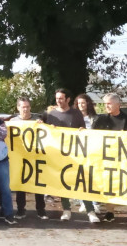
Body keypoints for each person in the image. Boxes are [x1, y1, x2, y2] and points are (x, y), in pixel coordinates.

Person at [92, 93, 127, 223]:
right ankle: (110, 211)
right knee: (110, 185)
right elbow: (92, 136)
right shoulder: (101, 120)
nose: (106, 106)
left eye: (109, 103)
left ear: (117, 104)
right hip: (108, 158)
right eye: (105, 104)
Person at [40, 89, 88, 222]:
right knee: (63, 182)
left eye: (61, 98)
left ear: (68, 99)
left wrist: (82, 131)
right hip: (58, 154)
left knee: (82, 180)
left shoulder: (76, 113)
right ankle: (66, 210)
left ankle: (90, 210)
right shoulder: (52, 114)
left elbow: (83, 130)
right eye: (57, 98)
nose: (58, 101)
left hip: (75, 153)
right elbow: (46, 131)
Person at [11, 97, 35, 219]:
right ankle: (21, 210)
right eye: (23, 107)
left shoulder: (37, 121)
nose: (25, 109)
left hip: (35, 157)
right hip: (19, 157)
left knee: (38, 183)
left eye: (27, 107)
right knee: (21, 184)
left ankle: (41, 210)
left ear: (30, 108)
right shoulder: (13, 122)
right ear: (18, 108)